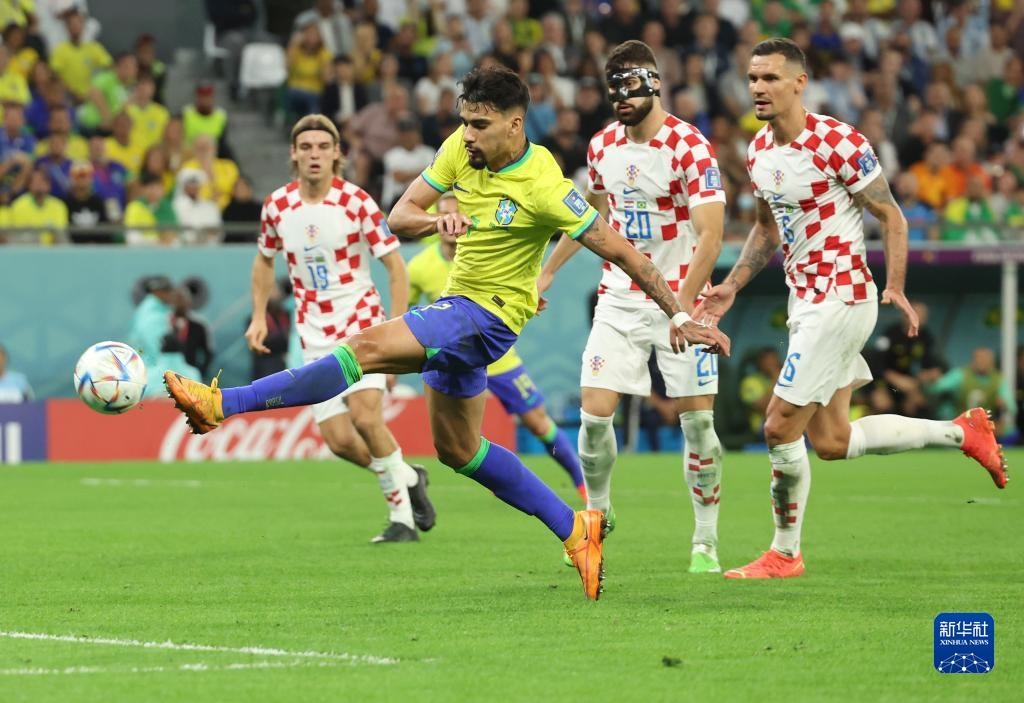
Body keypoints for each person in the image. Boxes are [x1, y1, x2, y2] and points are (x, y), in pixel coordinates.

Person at [163, 66, 730, 600]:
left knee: (362, 347)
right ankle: (575, 528)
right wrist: (439, 220)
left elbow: (624, 253)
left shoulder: (546, 186)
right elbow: (399, 216)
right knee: (458, 450)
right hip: (459, 306)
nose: (468, 134)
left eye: (480, 124)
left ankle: (223, 404)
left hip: (489, 317)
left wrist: (678, 314)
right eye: (465, 121)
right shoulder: (461, 148)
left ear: (515, 124)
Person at [697, 38, 1008, 581]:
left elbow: (891, 215)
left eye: (770, 78)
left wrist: (897, 285)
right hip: (805, 300)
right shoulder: (759, 150)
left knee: (778, 426)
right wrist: (733, 285)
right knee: (832, 441)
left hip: (840, 298)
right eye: (752, 78)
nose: (758, 88)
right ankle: (963, 432)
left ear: (799, 83)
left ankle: (785, 554)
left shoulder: (837, 141)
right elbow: (768, 230)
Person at [538, 40, 728, 574]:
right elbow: (591, 219)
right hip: (620, 297)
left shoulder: (690, 147)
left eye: (630, 85)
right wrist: (548, 272)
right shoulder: (602, 146)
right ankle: (598, 516)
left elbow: (711, 236)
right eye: (612, 88)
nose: (620, 97)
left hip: (684, 296)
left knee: (699, 428)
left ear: (654, 84)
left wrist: (681, 309)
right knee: (594, 416)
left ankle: (705, 541)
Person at [238, 114, 436, 544]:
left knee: (365, 418)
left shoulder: (357, 202)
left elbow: (395, 267)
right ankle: (408, 475)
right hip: (313, 333)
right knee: (339, 441)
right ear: (294, 154)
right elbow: (264, 261)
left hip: (361, 324)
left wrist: (396, 329)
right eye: (306, 147)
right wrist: (258, 316)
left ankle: (401, 519)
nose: (315, 154)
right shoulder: (277, 207)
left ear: (336, 155)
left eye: (323, 147)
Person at [407, 191, 587, 501]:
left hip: (497, 357)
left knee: (539, 423)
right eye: (443, 214)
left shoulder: (486, 252)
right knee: (461, 439)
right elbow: (408, 313)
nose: (450, 221)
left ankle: (583, 485)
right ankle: (503, 480)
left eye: (456, 213)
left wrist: (528, 296)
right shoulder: (419, 266)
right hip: (455, 362)